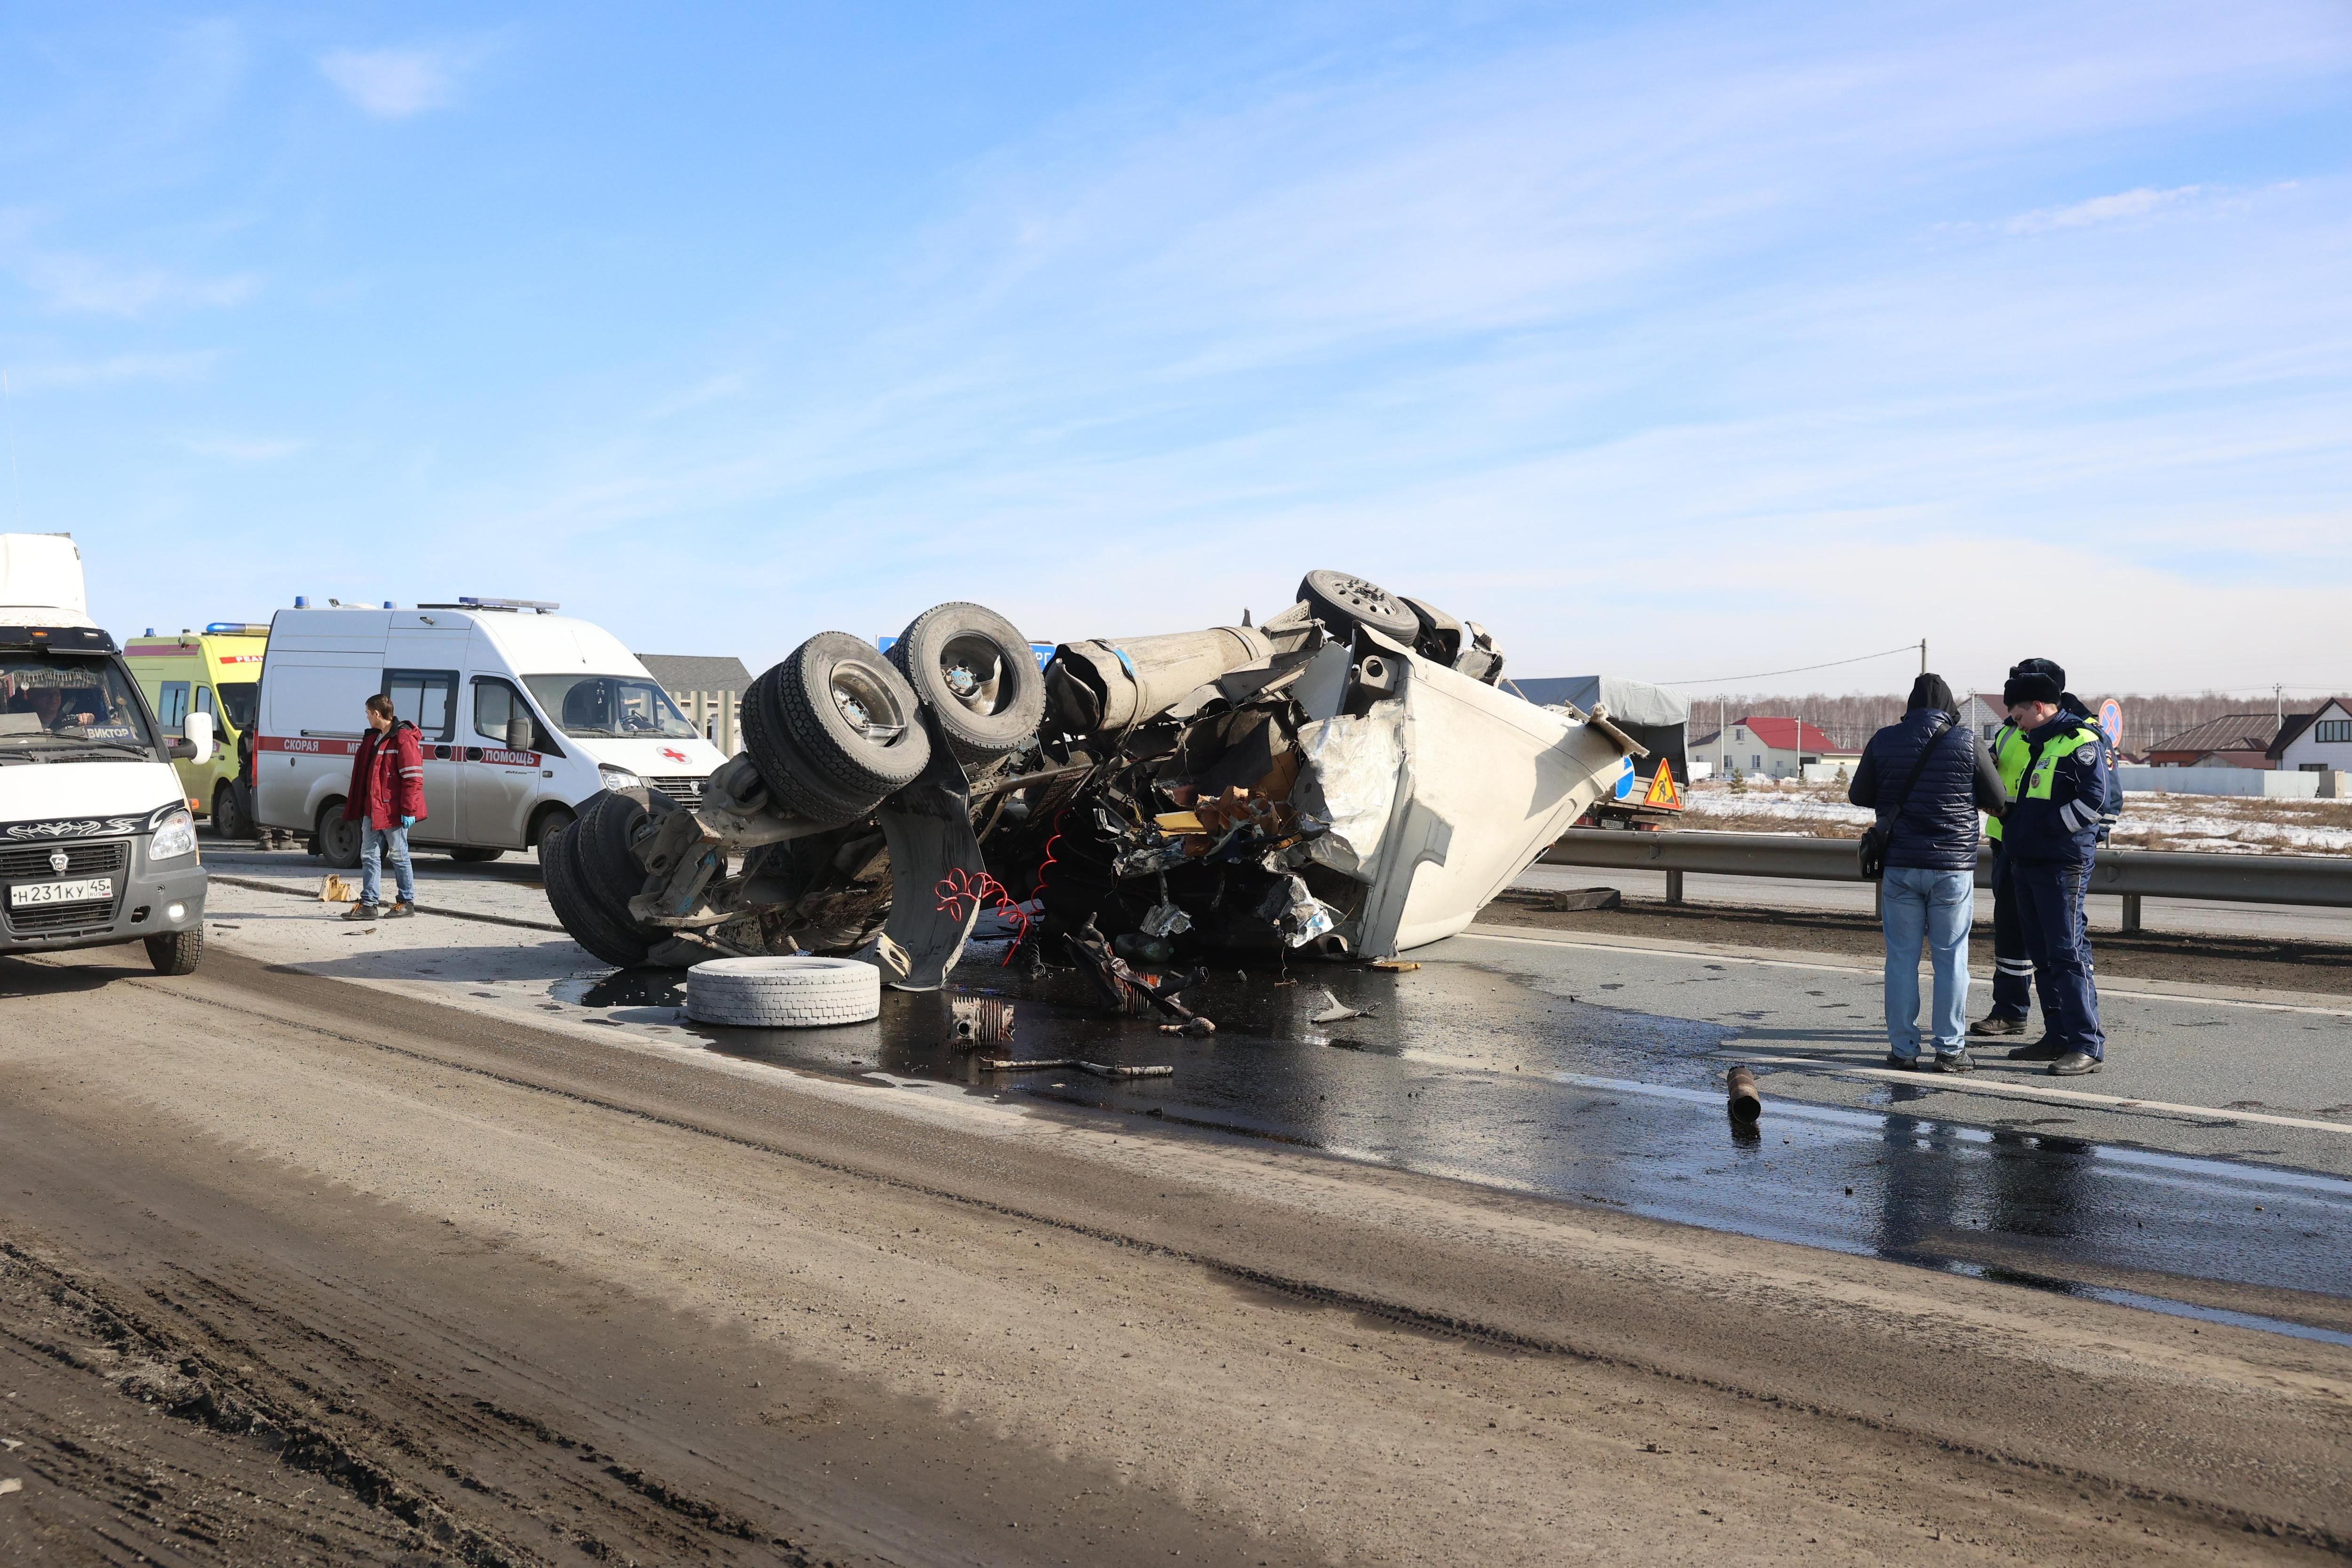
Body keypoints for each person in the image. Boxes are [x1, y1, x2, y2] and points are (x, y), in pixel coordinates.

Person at [1848, 674, 2007, 1072]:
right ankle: (1951, 1050)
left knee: (1901, 959)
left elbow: (1858, 794)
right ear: (1949, 706)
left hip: (1900, 864)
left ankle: (1903, 1050)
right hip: (1952, 869)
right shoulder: (1968, 741)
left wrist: (1890, 793)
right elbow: (1998, 798)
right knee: (1951, 959)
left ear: (1911, 704)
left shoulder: (1884, 740)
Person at [1996, 663, 2111, 1075]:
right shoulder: (2038, 742)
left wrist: (2044, 830)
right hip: (2027, 861)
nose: (2016, 723)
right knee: (2043, 955)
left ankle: (2086, 1044)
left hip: (2062, 863)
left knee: (2067, 953)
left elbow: (2095, 803)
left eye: (2020, 715)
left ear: (2041, 707)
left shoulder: (2080, 741)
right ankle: (2057, 1036)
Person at [1969, 658, 2065, 1040]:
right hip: (2005, 839)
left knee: (2051, 940)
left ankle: (2063, 1025)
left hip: (2043, 846)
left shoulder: (2067, 733)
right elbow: (1999, 762)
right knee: (2010, 931)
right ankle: (2010, 1010)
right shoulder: (2012, 728)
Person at [342, 693, 424, 921]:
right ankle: (369, 904)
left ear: (377, 714)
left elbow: (413, 779)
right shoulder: (377, 738)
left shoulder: (403, 740)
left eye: (368, 714)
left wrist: (409, 811)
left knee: (399, 855)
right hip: (374, 810)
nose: (367, 718)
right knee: (369, 855)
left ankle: (406, 902)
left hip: (393, 812)